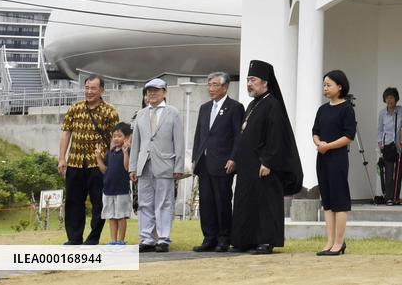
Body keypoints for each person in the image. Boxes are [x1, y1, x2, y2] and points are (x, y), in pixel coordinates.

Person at [228, 59, 303, 255]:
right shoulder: (253, 105)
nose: (249, 84)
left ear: (265, 82)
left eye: (253, 80)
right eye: (247, 80)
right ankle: (245, 240)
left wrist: (268, 161)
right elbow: (243, 135)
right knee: (246, 202)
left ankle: (265, 241)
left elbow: (276, 137)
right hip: (247, 166)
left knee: (265, 204)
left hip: (264, 166)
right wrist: (235, 158)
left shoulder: (272, 105)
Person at [58, 74, 119, 245]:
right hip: (75, 161)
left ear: (101, 91)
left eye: (93, 88)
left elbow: (115, 139)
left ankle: (93, 238)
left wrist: (112, 162)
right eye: (87, 88)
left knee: (98, 202)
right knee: (73, 201)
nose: (89, 91)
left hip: (97, 164)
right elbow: (66, 133)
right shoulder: (74, 108)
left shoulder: (110, 112)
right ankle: (74, 238)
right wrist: (62, 158)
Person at [129, 77, 185, 253]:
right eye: (149, 91)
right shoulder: (141, 114)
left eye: (156, 90)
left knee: (164, 202)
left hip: (165, 164)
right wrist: (133, 167)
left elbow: (179, 142)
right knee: (145, 203)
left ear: (165, 92)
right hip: (144, 164)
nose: (152, 94)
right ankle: (146, 238)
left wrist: (178, 166)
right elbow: (136, 143)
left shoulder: (173, 112)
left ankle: (163, 238)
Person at [191, 71, 244, 253]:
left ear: (225, 87)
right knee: (206, 202)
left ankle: (224, 238)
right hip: (204, 162)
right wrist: (195, 159)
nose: (211, 88)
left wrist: (233, 158)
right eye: (209, 85)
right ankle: (209, 237)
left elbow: (238, 136)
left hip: (223, 163)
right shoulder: (205, 108)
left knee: (222, 201)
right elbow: (199, 135)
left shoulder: (235, 107)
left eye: (215, 85)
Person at [312, 69, 357, 256]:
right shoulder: (322, 109)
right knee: (327, 202)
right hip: (322, 157)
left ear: (340, 87)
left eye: (329, 85)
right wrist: (319, 143)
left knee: (339, 200)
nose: (325, 88)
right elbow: (315, 132)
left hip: (337, 159)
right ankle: (329, 241)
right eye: (324, 85)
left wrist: (328, 146)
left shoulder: (347, 108)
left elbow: (349, 136)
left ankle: (339, 242)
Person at [95, 122, 132, 245]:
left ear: (126, 138)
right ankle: (113, 240)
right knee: (111, 216)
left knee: (121, 216)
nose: (116, 138)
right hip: (108, 189)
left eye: (119, 136)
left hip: (121, 190)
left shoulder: (127, 151)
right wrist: (98, 157)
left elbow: (127, 168)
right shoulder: (109, 153)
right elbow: (104, 170)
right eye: (114, 136)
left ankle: (121, 240)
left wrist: (126, 152)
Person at [376, 87, 402, 205]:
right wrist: (380, 143)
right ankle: (389, 198)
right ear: (384, 99)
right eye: (387, 98)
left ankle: (396, 197)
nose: (390, 100)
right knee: (389, 174)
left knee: (398, 173)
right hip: (388, 146)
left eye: (392, 97)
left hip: (400, 146)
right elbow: (379, 130)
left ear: (396, 99)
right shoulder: (382, 114)